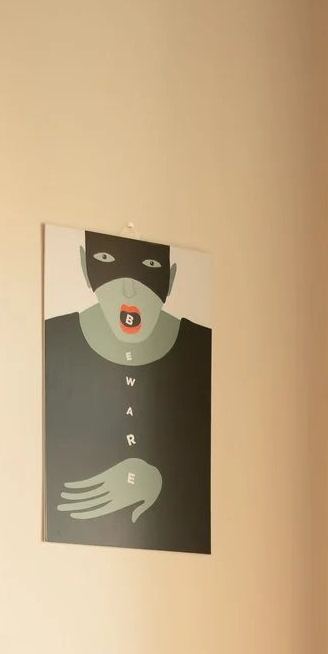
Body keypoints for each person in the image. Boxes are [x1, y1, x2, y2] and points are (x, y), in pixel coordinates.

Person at [43, 230, 211, 553]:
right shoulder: (56, 338)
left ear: (171, 278)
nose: (129, 290)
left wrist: (154, 481)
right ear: (84, 266)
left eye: (149, 266)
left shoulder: (199, 347)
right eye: (105, 261)